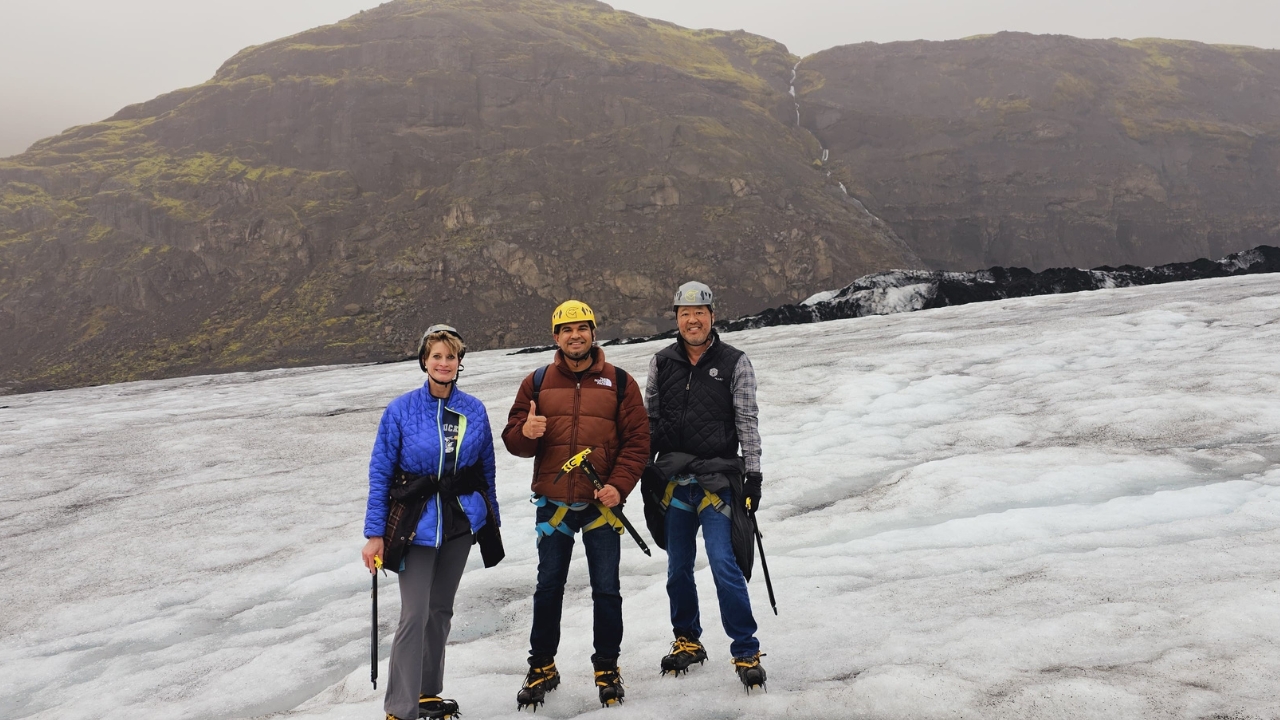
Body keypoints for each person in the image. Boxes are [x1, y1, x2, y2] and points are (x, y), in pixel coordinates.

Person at [502, 300, 650, 710]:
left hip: (602, 505)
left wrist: (619, 486)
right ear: (555, 337)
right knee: (548, 586)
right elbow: (513, 440)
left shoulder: (620, 382)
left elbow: (638, 442)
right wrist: (526, 432)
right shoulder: (536, 382)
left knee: (606, 589)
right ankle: (542, 666)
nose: (574, 336)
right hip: (556, 505)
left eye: (581, 328)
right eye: (566, 330)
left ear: (593, 332)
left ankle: (607, 667)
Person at [362, 324, 501, 720]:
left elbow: (485, 469)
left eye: (451, 356)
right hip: (415, 526)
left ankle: (426, 693)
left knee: (440, 610)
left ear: (460, 363)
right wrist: (374, 535)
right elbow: (381, 475)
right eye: (436, 356)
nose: (444, 363)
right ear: (425, 360)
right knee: (414, 614)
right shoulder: (401, 410)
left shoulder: (473, 409)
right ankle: (399, 708)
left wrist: (491, 520)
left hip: (458, 524)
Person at [641, 281, 767, 690]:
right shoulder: (662, 362)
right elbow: (650, 422)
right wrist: (644, 466)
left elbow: (747, 420)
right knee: (678, 567)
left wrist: (754, 474)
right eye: (684, 313)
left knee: (723, 562)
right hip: (676, 483)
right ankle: (687, 640)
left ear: (712, 316)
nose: (692, 320)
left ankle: (745, 649)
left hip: (717, 482)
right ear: (676, 318)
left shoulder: (735, 362)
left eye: (699, 312)